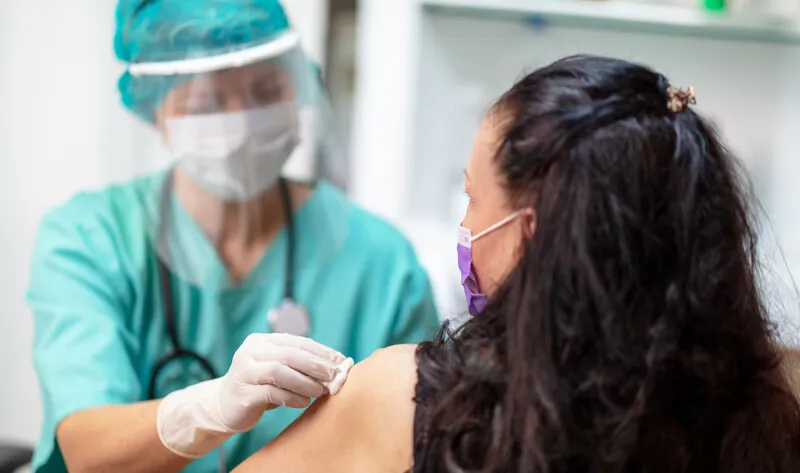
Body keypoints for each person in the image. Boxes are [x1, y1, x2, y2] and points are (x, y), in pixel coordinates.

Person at [229, 55, 800, 473]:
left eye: (473, 199)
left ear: (530, 234)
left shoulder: (405, 402)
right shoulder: (763, 420)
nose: (468, 226)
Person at [26, 1, 439, 472]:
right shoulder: (90, 238)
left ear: (298, 86)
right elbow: (87, 452)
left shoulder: (381, 261)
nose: (241, 124)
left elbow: (418, 436)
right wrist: (209, 409)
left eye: (266, 91)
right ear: (155, 110)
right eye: (206, 104)